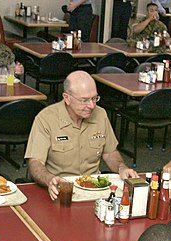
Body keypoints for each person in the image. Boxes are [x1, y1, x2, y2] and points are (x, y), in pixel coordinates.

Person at [25, 71, 138, 200]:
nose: (91, 105)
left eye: (94, 98)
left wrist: (121, 167)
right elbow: (35, 163)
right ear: (67, 98)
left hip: (94, 190)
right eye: (84, 100)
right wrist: (49, 179)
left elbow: (109, 153)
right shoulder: (45, 119)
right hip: (60, 190)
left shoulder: (101, 114)